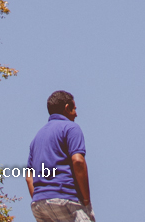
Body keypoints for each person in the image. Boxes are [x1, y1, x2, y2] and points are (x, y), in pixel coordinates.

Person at [26, 90, 94, 222]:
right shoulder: (71, 128)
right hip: (65, 199)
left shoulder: (37, 137)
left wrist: (41, 196)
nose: (76, 114)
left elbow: (29, 177)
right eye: (74, 109)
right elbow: (78, 161)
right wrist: (86, 200)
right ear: (67, 108)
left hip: (39, 205)